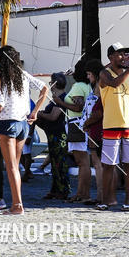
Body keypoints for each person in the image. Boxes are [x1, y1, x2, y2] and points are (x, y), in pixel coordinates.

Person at [0, 46, 47, 214]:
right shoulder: (23, 75)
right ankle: (17, 203)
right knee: (15, 167)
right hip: (24, 124)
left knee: (10, 167)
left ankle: (17, 205)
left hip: (7, 123)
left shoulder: (0, 78)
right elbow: (44, 88)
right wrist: (35, 111)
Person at [97, 42, 129, 211]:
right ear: (111, 57)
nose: (123, 57)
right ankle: (105, 201)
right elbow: (114, 83)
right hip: (111, 125)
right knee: (109, 165)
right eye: (119, 54)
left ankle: (128, 201)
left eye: (124, 54)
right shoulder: (104, 74)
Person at [52, 64, 91, 202]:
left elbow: (78, 106)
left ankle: (82, 194)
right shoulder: (85, 86)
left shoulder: (78, 86)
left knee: (82, 162)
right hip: (79, 123)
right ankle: (82, 193)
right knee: (83, 161)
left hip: (76, 123)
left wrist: (60, 102)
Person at [35, 73, 70, 200]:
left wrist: (40, 114)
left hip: (58, 135)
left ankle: (63, 190)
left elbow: (53, 116)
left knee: (60, 164)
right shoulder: (58, 97)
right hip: (53, 134)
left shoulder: (61, 99)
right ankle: (55, 189)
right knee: (55, 164)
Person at [81, 59, 105, 205]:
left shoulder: (99, 87)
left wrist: (86, 123)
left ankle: (102, 196)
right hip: (94, 128)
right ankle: (102, 195)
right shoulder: (98, 86)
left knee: (99, 165)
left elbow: (98, 112)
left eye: (89, 74)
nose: (88, 78)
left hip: (96, 129)